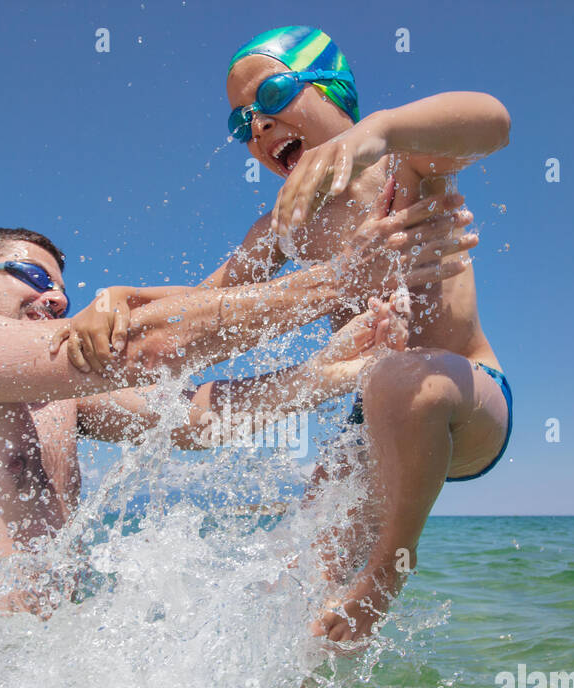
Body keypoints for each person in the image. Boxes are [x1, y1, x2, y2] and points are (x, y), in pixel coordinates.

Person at [59, 26, 512, 643]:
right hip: (371, 424)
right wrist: (115, 298)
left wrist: (378, 128)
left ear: (333, 90)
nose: (258, 128)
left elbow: (493, 121)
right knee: (289, 600)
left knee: (402, 377)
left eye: (272, 96)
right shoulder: (284, 225)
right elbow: (208, 304)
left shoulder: (408, 165)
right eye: (241, 124)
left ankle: (388, 568)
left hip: (467, 399)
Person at [0, 211, 471, 648]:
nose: (56, 303)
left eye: (63, 297)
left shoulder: (54, 403)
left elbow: (197, 421)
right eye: (36, 280)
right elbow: (145, 347)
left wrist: (333, 372)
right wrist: (339, 280)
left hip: (22, 687)